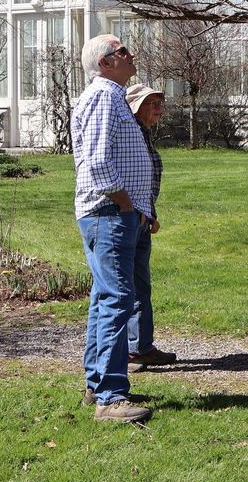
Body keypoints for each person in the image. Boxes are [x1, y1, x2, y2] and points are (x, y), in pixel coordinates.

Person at [72, 34, 153, 423]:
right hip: (108, 213)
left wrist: (139, 206)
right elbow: (100, 163)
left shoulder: (110, 95)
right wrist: (124, 202)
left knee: (105, 297)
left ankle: (96, 384)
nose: (130, 54)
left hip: (113, 213)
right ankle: (110, 397)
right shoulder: (104, 97)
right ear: (105, 63)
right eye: (122, 51)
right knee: (118, 297)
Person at [123, 83, 178, 372]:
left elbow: (145, 180)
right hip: (129, 218)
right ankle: (132, 351)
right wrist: (135, 212)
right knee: (128, 285)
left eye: (159, 103)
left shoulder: (144, 134)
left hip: (142, 218)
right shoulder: (130, 134)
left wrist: (150, 214)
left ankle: (141, 347)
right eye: (151, 103)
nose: (158, 109)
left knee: (141, 285)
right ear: (134, 106)